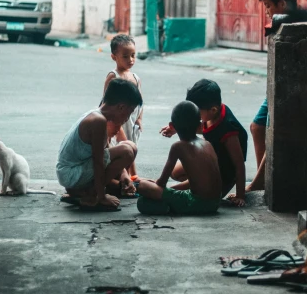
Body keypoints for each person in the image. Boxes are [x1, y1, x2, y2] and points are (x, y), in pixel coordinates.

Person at [57, 78, 142, 209]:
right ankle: (92, 194)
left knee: (131, 146)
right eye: (129, 113)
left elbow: (106, 152)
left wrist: (124, 174)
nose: (127, 119)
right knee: (127, 152)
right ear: (121, 107)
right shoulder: (98, 121)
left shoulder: (98, 116)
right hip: (71, 174)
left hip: (75, 170)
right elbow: (99, 161)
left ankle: (86, 191)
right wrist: (102, 196)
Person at [160, 79, 248, 207]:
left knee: (178, 188)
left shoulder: (229, 130)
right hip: (210, 163)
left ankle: (180, 188)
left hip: (222, 176)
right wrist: (177, 128)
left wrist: (240, 195)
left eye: (197, 113)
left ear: (213, 110)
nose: (194, 117)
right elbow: (206, 129)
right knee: (175, 172)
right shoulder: (214, 113)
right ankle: (186, 185)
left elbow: (239, 165)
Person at [246, 0, 298, 193]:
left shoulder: (294, 25)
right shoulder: (279, 24)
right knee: (257, 126)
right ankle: (263, 176)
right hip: (273, 90)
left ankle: (260, 181)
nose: (266, 11)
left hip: (287, 92)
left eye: (268, 6)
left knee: (271, 130)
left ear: (282, 5)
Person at [137, 101, 222, 215]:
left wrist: (150, 183)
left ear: (172, 126)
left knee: (142, 190)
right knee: (149, 196)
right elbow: (199, 182)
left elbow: (162, 183)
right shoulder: (208, 144)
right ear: (200, 126)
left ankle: (168, 208)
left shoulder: (178, 146)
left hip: (196, 203)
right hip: (215, 203)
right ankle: (169, 206)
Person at [103, 34, 143, 188]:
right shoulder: (113, 76)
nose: (130, 60)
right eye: (125, 56)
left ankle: (130, 176)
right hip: (117, 120)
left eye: (133, 55)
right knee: (119, 146)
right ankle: (125, 176)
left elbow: (140, 102)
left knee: (132, 145)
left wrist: (139, 118)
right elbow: (106, 101)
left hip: (131, 121)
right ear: (114, 57)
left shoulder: (135, 77)